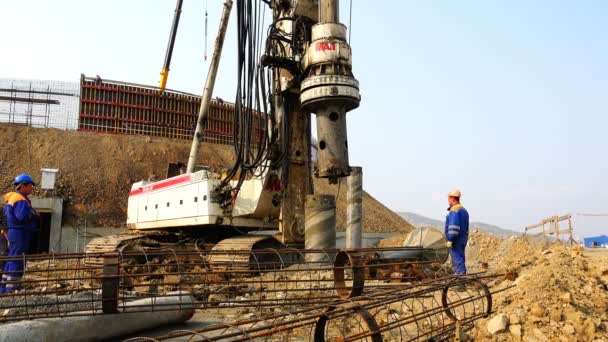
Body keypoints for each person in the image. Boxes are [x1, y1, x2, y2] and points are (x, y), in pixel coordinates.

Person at [0, 174, 39, 294]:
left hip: (15, 232)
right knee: (17, 259)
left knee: (13, 258)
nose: (32, 188)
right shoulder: (21, 200)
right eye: (30, 186)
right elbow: (21, 217)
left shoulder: (13, 198)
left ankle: (4, 287)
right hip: (20, 233)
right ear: (23, 186)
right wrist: (33, 214)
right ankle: (11, 289)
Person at [444, 189, 469, 275]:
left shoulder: (454, 210)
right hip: (463, 239)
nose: (448, 200)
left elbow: (453, 227)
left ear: (452, 198)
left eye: (448, 198)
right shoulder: (464, 210)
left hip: (456, 240)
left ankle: (460, 284)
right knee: (461, 259)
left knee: (457, 260)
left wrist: (450, 239)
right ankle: (462, 279)